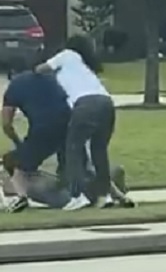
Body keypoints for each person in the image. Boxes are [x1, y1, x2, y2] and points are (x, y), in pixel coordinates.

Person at [35, 34, 117, 211]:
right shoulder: (85, 66)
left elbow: (42, 69)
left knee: (73, 149)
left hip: (86, 104)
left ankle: (77, 195)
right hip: (107, 104)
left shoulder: (68, 55)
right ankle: (105, 195)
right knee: (99, 151)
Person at [1, 59, 71, 213]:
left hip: (43, 128)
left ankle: (22, 197)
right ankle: (78, 193)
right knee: (68, 164)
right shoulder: (49, 78)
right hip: (69, 122)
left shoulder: (14, 86)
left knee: (14, 162)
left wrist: (18, 143)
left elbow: (6, 124)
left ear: (12, 74)